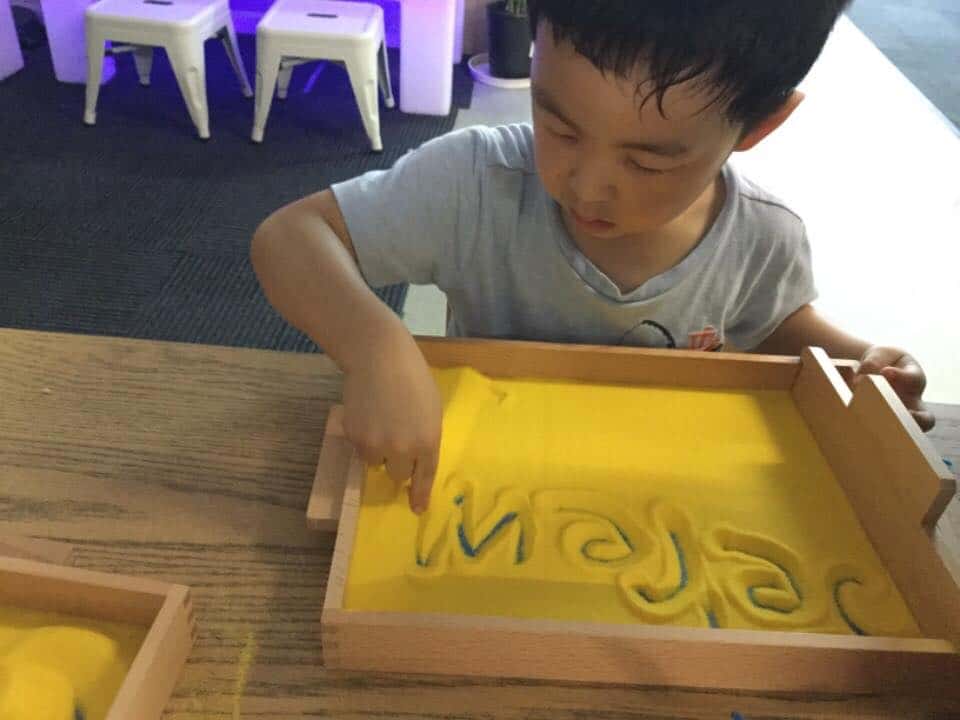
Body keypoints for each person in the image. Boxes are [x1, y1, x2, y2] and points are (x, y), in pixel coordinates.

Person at [251, 1, 934, 514]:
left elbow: (779, 330)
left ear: (759, 125)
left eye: (646, 161)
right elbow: (288, 238)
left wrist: (865, 362)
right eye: (558, 125)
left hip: (654, 505)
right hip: (478, 495)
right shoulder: (475, 183)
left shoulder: (761, 237)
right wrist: (377, 345)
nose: (586, 185)